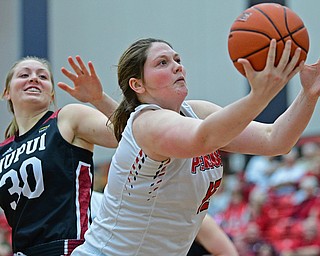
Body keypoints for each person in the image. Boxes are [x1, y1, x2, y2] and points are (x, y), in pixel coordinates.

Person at [71, 37, 320, 256]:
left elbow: (275, 140)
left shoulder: (198, 111)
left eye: (177, 59)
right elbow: (203, 139)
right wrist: (259, 96)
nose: (177, 66)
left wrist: (309, 93)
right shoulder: (147, 122)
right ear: (138, 85)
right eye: (162, 63)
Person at [0, 56, 118, 255]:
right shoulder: (3, 151)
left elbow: (128, 135)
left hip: (68, 248)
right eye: (24, 74)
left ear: (51, 93)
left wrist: (98, 99)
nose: (34, 78)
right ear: (6, 92)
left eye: (43, 76)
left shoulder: (66, 118)